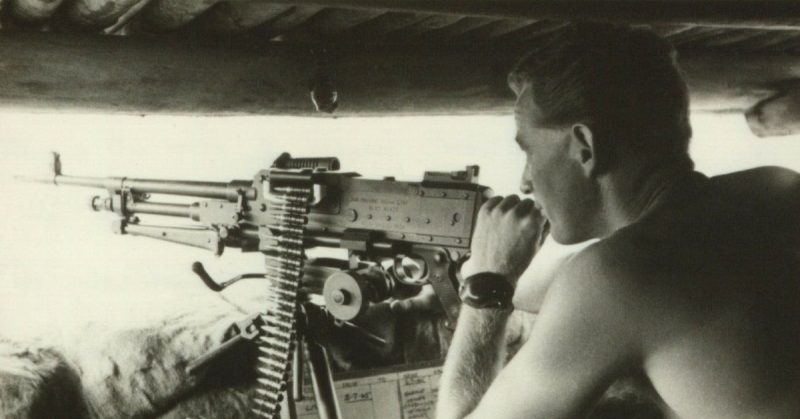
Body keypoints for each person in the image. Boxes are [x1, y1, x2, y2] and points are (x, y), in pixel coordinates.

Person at [436, 22, 800, 419]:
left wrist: (488, 282)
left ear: (585, 148)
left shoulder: (620, 274)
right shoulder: (778, 188)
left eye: (529, 152)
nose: (525, 182)